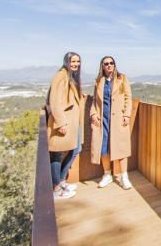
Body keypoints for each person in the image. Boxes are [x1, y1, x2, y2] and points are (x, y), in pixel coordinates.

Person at [90, 56, 133, 190]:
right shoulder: (99, 81)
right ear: (102, 66)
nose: (109, 65)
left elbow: (128, 97)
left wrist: (126, 114)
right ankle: (107, 174)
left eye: (111, 63)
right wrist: (93, 114)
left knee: (121, 148)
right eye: (106, 64)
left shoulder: (122, 78)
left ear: (114, 64)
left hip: (118, 120)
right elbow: (94, 102)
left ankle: (124, 177)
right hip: (103, 120)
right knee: (103, 148)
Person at [47, 52, 85, 200]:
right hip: (64, 122)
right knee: (57, 153)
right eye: (73, 61)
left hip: (72, 122)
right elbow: (54, 101)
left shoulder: (69, 76)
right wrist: (60, 123)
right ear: (66, 62)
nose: (76, 64)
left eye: (78, 61)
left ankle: (61, 181)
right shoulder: (61, 75)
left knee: (76, 149)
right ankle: (56, 188)